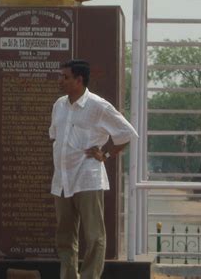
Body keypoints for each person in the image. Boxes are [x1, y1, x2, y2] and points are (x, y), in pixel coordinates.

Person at [49, 59, 137, 279]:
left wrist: (105, 154)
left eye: (65, 77)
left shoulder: (98, 106)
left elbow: (126, 133)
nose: (60, 80)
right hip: (62, 179)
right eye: (60, 76)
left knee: (94, 236)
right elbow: (54, 136)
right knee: (65, 237)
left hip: (87, 178)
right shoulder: (59, 105)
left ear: (79, 80)